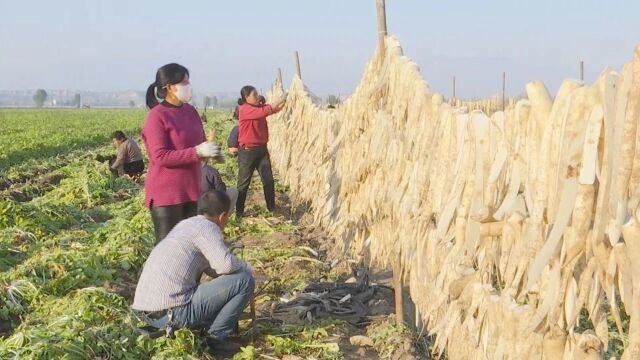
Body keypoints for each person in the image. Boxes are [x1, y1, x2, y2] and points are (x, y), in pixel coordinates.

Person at [132, 190, 254, 356]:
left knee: (233, 280)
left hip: (148, 312)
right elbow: (224, 265)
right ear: (222, 216)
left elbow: (213, 269)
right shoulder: (209, 228)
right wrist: (246, 266)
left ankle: (208, 330)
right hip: (171, 314)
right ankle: (214, 341)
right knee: (245, 280)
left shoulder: (187, 225)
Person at [142, 63, 223, 243]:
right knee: (168, 249)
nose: (188, 87)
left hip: (192, 191)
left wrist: (212, 152)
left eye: (188, 82)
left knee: (190, 249)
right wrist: (197, 151)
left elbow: (200, 143)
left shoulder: (191, 111)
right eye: (184, 83)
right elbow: (160, 156)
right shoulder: (157, 116)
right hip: (167, 195)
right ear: (169, 87)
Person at [235, 86, 286, 217]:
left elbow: (273, 109)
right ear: (247, 98)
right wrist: (282, 98)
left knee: (268, 181)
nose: (258, 96)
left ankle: (271, 208)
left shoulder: (258, 108)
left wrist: (287, 101)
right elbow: (266, 110)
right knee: (243, 184)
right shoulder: (245, 109)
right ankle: (239, 212)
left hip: (262, 150)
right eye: (255, 94)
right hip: (247, 152)